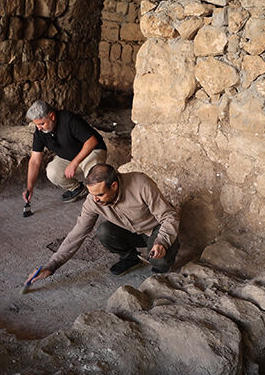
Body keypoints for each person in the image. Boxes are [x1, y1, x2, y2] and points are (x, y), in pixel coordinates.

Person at [25, 163, 181, 286]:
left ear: (113, 186)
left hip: (155, 230)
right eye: (92, 194)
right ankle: (130, 258)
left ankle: (163, 260)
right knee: (104, 231)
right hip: (131, 232)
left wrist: (162, 241)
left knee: (159, 261)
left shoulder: (141, 184)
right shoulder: (93, 200)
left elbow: (169, 216)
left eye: (100, 194)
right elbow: (77, 233)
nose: (96, 200)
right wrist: (52, 265)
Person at [23, 100, 107, 203]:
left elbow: (92, 141)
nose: (39, 128)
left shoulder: (69, 120)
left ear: (52, 116)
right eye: (37, 125)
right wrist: (29, 187)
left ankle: (101, 199)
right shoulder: (40, 132)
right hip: (69, 157)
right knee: (52, 171)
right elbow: (35, 161)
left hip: (91, 152)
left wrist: (74, 163)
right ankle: (77, 188)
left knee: (94, 179)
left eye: (42, 124)